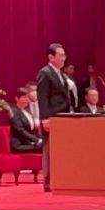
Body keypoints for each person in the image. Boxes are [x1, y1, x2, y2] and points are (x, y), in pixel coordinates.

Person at [35, 43, 72, 192]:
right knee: (49, 149)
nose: (64, 58)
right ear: (51, 57)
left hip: (62, 116)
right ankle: (49, 181)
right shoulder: (45, 73)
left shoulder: (60, 73)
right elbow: (42, 97)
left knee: (60, 149)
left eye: (64, 55)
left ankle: (61, 179)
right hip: (52, 116)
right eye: (61, 55)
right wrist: (45, 118)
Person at [8, 87, 42, 153]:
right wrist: (36, 140)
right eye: (24, 97)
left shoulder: (27, 111)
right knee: (42, 147)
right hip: (19, 144)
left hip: (28, 142)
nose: (27, 99)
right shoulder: (13, 112)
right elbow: (20, 131)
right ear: (17, 98)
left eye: (27, 97)